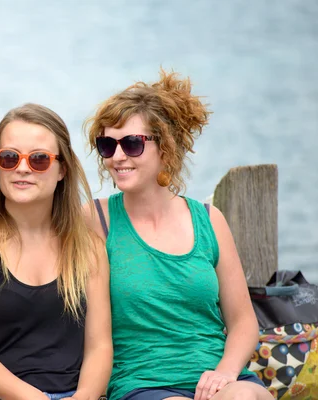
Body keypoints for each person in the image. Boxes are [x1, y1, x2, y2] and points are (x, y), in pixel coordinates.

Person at [83, 69, 273, 400]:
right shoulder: (96, 220)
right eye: (106, 145)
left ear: (166, 148)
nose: (117, 156)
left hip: (219, 376)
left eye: (131, 143)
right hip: (142, 383)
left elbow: (243, 322)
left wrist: (225, 372)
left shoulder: (210, 221)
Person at [0, 103, 113, 400]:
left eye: (39, 159)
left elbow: (99, 346)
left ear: (62, 169)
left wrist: (84, 397)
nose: (22, 168)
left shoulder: (87, 247)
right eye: (9, 158)